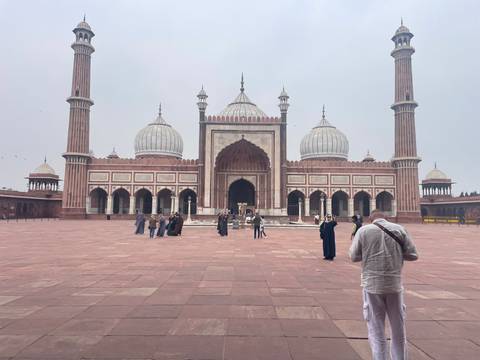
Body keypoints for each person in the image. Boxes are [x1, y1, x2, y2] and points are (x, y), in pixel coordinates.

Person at [349, 209, 418, 360]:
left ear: (370, 219)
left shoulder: (363, 231)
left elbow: (353, 256)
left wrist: (368, 253)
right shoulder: (400, 229)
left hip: (372, 284)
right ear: (387, 218)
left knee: (376, 329)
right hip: (394, 284)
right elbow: (413, 255)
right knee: (398, 329)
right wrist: (397, 254)